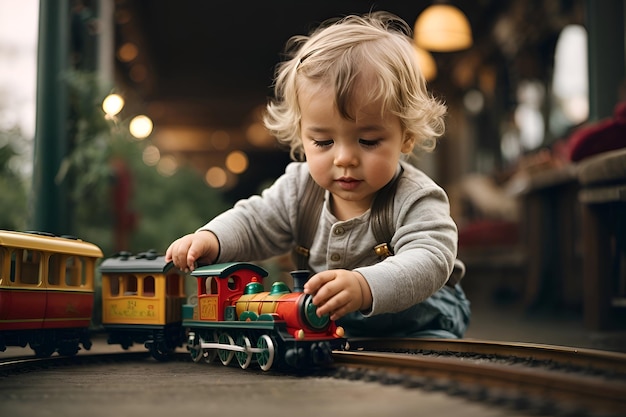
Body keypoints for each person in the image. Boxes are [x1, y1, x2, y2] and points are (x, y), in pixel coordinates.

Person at [165, 12, 471, 338]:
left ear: (406, 136)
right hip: (342, 325)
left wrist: (365, 285)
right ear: (301, 135)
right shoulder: (300, 190)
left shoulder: (414, 196)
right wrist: (212, 239)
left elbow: (430, 260)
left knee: (430, 356)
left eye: (368, 141)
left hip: (422, 320)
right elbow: (254, 221)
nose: (344, 158)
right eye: (324, 141)